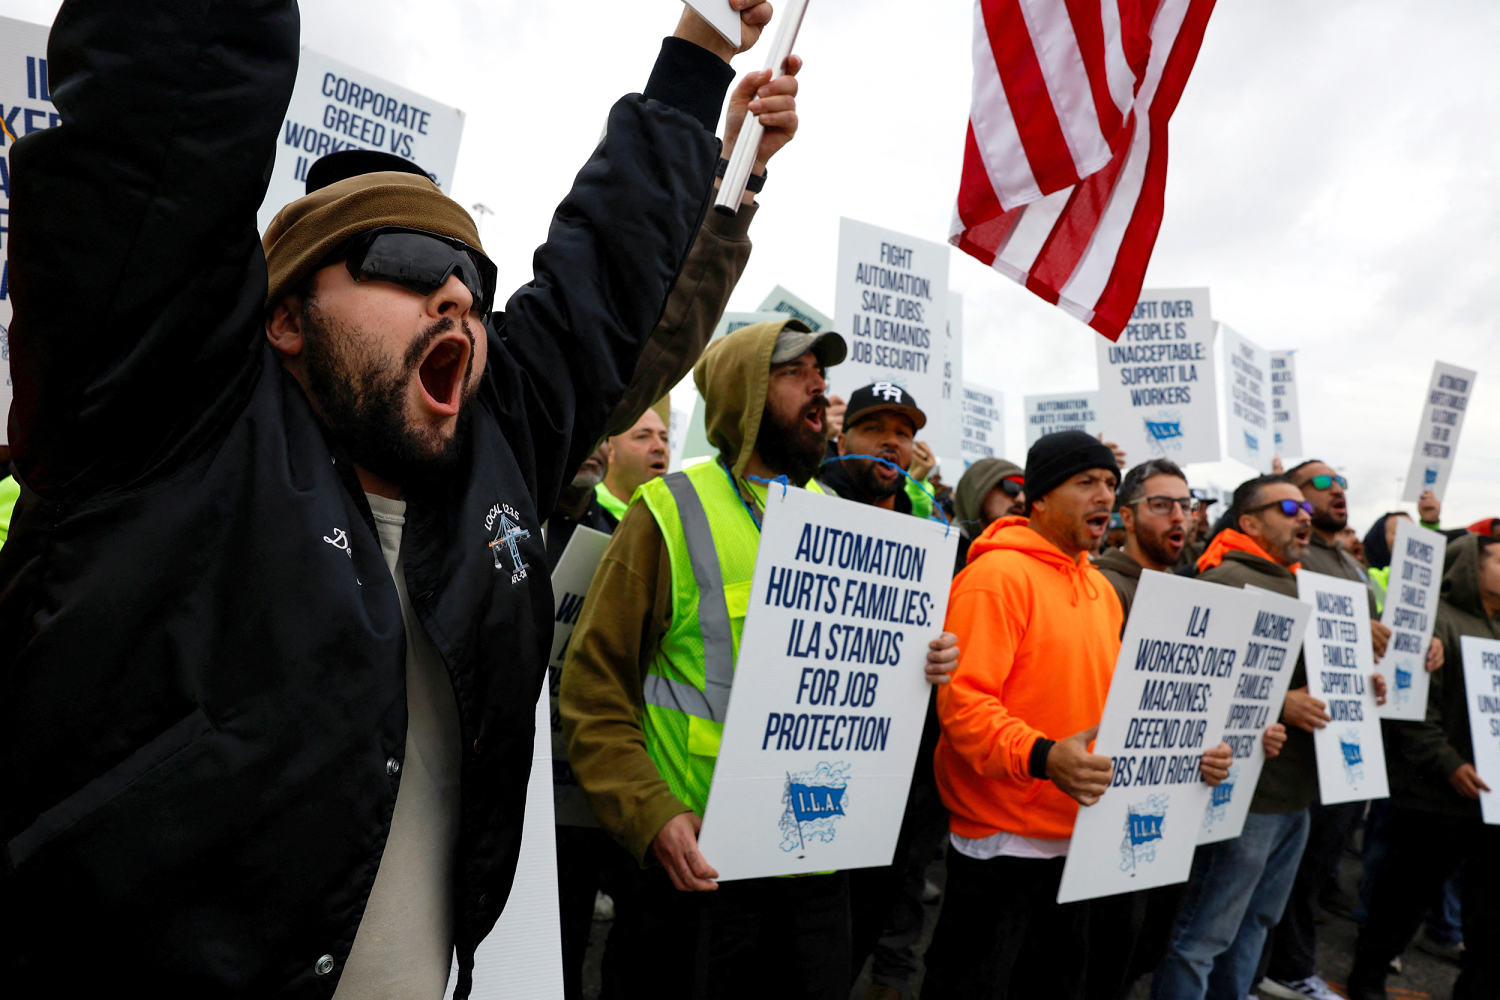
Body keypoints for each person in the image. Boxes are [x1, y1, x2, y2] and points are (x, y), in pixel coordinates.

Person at [0, 0, 781, 994]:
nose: (456, 294)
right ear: (284, 316)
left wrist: (703, 47)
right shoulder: (163, 425)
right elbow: (171, 115)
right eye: (408, 266)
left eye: (471, 278)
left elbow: (607, 279)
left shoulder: (496, 457)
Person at [559, 318, 960, 1000]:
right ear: (745, 391)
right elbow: (593, 690)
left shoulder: (840, 517)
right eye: (795, 373)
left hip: (815, 871)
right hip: (694, 875)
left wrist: (921, 661)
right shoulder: (668, 510)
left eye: (821, 376)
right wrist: (651, 813)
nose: (819, 388)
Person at [922, 431, 1231, 1000]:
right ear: (1039, 497)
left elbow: (1122, 707)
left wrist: (1191, 756)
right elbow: (964, 707)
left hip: (1082, 841)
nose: (1104, 496)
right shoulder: (996, 578)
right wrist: (1043, 756)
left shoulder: (1099, 588)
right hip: (1003, 847)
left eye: (1110, 484)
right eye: (1085, 482)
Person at [1153, 475, 1386, 1000]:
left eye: (1305, 507)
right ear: (1250, 522)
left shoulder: (1307, 586)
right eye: (1288, 506)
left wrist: (1360, 683)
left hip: (1294, 795)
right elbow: (1187, 679)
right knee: (1204, 935)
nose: (1303, 515)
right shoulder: (1227, 581)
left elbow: (1314, 674)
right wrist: (1281, 702)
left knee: (1256, 924)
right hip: (1243, 796)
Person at [1346, 534, 1500, 1000]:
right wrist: (1450, 765)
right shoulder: (1436, 623)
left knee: (1489, 915)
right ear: (1472, 566)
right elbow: (1411, 712)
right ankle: (1367, 979)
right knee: (1402, 900)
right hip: (1432, 797)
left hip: (1490, 803)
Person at [1096, 458, 1190, 622]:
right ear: (1128, 518)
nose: (1178, 517)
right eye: (1161, 505)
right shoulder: (1104, 588)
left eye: (1185, 506)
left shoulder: (1179, 588)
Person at [598, 404, 672, 523]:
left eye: (664, 438)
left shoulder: (671, 522)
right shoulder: (580, 509)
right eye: (643, 436)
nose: (660, 447)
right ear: (610, 450)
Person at [950, 456, 1025, 569]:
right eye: (1011, 487)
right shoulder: (939, 553)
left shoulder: (1027, 556)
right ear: (978, 492)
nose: (1021, 499)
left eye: (1025, 491)